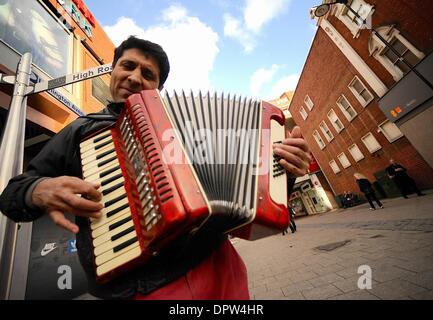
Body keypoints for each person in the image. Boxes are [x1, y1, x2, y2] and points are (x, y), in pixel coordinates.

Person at [0, 36, 311, 300]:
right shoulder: (83, 131)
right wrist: (37, 190)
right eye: (128, 65)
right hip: (139, 289)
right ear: (113, 71)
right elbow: (12, 194)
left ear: (157, 88)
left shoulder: (189, 126)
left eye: (148, 74)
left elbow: (248, 195)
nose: (135, 77)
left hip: (218, 268)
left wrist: (284, 169)